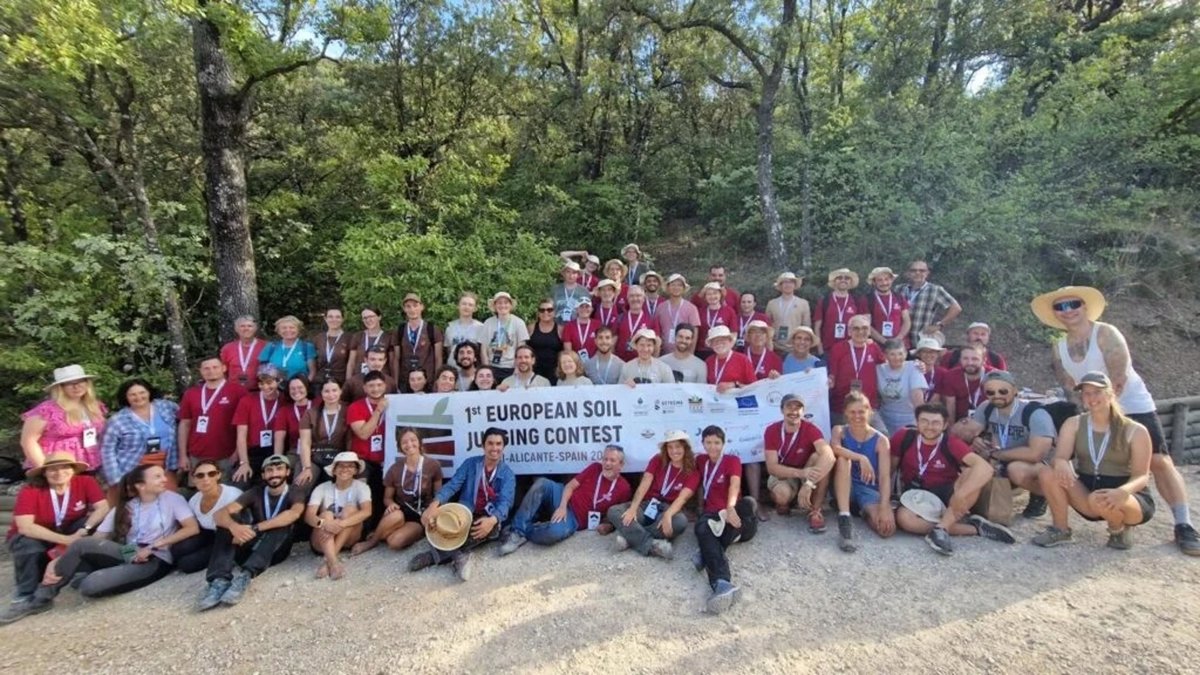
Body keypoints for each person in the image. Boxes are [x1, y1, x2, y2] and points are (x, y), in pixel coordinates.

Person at [1034, 285, 1198, 554]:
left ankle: (1184, 524)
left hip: (1130, 404)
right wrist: (1087, 417)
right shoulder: (1059, 347)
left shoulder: (1105, 333)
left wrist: (1104, 416)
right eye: (1060, 306)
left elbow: (1117, 379)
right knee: (1090, 462)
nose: (1068, 310)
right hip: (1093, 407)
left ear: (1085, 306)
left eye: (1073, 304)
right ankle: (1107, 518)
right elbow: (1069, 386)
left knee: (1158, 461)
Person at [22, 465, 198, 617]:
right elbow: (98, 538)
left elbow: (191, 528)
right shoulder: (126, 506)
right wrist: (58, 561)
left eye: (163, 475)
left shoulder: (173, 499)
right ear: (141, 485)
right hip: (129, 551)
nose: (164, 479)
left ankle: (89, 576)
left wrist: (154, 546)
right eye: (158, 476)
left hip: (155, 557)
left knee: (89, 586)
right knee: (82, 544)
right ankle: (42, 597)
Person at [1032, 372, 1155, 550]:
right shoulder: (1073, 423)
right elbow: (1060, 457)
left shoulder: (1136, 430)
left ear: (1110, 394)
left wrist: (1123, 492)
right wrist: (1061, 463)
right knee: (1047, 472)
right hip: (1088, 492)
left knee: (1100, 499)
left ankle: (1118, 528)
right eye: (1086, 393)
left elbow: (1142, 476)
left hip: (1126, 494)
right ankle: (1060, 529)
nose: (1091, 398)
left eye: (1097, 392)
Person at [891, 404, 1014, 556]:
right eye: (924, 421)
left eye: (936, 422)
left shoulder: (951, 442)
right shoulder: (904, 436)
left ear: (945, 425)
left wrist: (961, 494)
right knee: (905, 520)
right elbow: (890, 469)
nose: (929, 427)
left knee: (971, 472)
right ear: (916, 422)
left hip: (946, 491)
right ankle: (973, 528)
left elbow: (985, 468)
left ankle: (942, 528)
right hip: (913, 493)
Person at [2, 453, 109, 624]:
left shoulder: (85, 482)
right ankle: (25, 595)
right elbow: (25, 526)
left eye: (65, 467)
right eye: (53, 469)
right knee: (28, 545)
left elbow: (103, 508)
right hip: (35, 534)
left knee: (94, 526)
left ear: (73, 470)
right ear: (44, 473)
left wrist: (85, 529)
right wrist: (67, 540)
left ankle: (82, 570)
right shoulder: (30, 489)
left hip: (69, 530)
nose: (59, 473)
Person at [196, 454, 305, 609]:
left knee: (282, 523)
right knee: (227, 522)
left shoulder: (295, 492)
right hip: (249, 546)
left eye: (279, 469)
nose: (274, 474)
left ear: (287, 472)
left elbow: (294, 514)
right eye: (269, 470)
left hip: (275, 551)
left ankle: (245, 577)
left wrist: (256, 528)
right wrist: (234, 527)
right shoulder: (255, 492)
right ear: (263, 475)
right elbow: (219, 514)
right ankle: (219, 581)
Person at [413, 427, 516, 581]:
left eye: (498, 444)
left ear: (503, 447)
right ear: (483, 446)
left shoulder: (507, 474)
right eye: (490, 443)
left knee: (487, 527)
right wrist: (434, 504)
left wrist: (492, 520)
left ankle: (435, 556)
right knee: (439, 522)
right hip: (465, 512)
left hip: (488, 517)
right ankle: (459, 554)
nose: (494, 448)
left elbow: (505, 503)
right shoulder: (470, 464)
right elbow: (453, 485)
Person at [499, 445, 631, 554]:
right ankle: (516, 532)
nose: (607, 463)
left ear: (621, 465)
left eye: (612, 460)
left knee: (553, 533)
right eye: (605, 459)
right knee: (542, 483)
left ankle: (523, 530)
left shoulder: (624, 488)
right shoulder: (595, 468)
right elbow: (570, 486)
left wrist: (609, 526)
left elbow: (616, 514)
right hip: (563, 497)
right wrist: (562, 507)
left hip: (575, 519)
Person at [962, 371, 1056, 519]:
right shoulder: (986, 408)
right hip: (998, 458)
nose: (996, 396)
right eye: (990, 392)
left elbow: (1036, 454)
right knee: (968, 461)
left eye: (1003, 391)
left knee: (1015, 469)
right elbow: (967, 432)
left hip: (1033, 465)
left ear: (1015, 390)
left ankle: (1041, 493)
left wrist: (996, 454)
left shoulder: (1035, 413)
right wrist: (975, 439)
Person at [693, 425, 759, 614]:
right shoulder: (701, 460)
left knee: (748, 503)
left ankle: (706, 551)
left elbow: (734, 485)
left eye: (717, 442)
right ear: (703, 443)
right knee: (702, 527)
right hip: (713, 516)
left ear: (723, 443)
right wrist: (699, 507)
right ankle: (722, 583)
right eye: (708, 442)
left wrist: (730, 508)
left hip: (734, 518)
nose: (712, 447)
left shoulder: (732, 460)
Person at [608, 430, 698, 560]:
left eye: (678, 446)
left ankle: (630, 537)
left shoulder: (692, 470)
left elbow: (682, 498)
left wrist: (668, 515)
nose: (674, 451)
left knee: (680, 522)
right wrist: (633, 508)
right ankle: (651, 545)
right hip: (648, 504)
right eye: (670, 447)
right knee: (614, 511)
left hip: (668, 508)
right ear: (665, 449)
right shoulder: (658, 459)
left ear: (685, 448)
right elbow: (645, 483)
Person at [352, 429, 443, 555]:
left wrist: (432, 511)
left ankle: (386, 532)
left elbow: (439, 494)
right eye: (404, 442)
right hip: (400, 512)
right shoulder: (395, 469)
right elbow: (387, 498)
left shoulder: (433, 465)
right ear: (400, 447)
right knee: (396, 515)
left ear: (419, 442)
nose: (409, 444)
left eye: (413, 440)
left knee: (394, 542)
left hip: (420, 516)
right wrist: (391, 504)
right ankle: (373, 541)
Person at [831, 392, 894, 552]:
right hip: (846, 485)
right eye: (852, 412)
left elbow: (885, 477)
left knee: (886, 529)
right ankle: (845, 517)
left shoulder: (881, 440)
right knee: (843, 460)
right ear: (845, 413)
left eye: (861, 412)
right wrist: (861, 458)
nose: (857, 416)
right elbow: (835, 448)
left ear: (869, 411)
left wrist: (884, 507)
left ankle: (862, 510)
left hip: (868, 489)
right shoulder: (840, 430)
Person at [763, 395, 835, 530]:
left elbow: (829, 456)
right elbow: (772, 468)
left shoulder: (810, 428)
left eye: (798, 408)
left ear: (803, 411)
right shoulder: (772, 430)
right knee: (782, 495)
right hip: (786, 472)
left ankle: (816, 510)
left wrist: (809, 484)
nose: (794, 411)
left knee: (819, 458)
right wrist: (801, 473)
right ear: (781, 410)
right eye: (789, 407)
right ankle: (787, 501)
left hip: (807, 471)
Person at [20, 365, 107, 473]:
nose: (76, 386)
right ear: (60, 388)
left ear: (87, 383)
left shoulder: (94, 406)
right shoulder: (47, 410)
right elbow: (28, 441)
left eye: (80, 381)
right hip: (57, 465)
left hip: (90, 462)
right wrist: (45, 469)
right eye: (69, 383)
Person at [100, 378, 179, 489]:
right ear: (125, 397)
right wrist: (116, 479)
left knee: (168, 497)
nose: (138, 397)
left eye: (142, 392)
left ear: (149, 392)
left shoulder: (167, 407)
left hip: (167, 464)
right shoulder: (118, 420)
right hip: (132, 467)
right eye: (132, 395)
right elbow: (107, 450)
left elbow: (186, 420)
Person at [305, 452, 373, 580]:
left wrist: (340, 524)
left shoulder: (362, 487)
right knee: (327, 514)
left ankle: (329, 561)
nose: (345, 469)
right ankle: (334, 563)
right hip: (322, 540)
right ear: (334, 470)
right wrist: (325, 524)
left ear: (356, 470)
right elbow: (309, 516)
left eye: (350, 466)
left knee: (350, 510)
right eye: (341, 466)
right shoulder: (322, 488)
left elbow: (366, 512)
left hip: (348, 538)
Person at [177, 356, 247, 475]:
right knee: (199, 487)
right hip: (197, 455)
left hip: (227, 455)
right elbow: (184, 424)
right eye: (206, 368)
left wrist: (237, 452)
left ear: (224, 368)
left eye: (215, 367)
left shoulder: (238, 391)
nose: (211, 371)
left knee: (225, 486)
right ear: (200, 371)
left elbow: (244, 426)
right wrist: (183, 455)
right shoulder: (191, 394)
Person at [172, 461, 241, 574]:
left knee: (186, 564)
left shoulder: (233, 495)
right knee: (177, 549)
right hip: (209, 535)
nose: (206, 479)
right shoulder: (194, 500)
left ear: (218, 475)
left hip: (228, 538)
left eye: (211, 474)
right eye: (200, 475)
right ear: (193, 479)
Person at [346, 371, 389, 526]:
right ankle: (360, 529)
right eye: (371, 386)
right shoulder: (355, 407)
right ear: (364, 388)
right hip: (363, 459)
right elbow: (363, 434)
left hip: (387, 459)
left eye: (379, 385)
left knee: (384, 497)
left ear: (385, 386)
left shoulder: (394, 403)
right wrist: (378, 411)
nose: (375, 389)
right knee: (362, 494)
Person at [826, 315, 885, 425]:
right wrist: (828, 381)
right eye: (856, 328)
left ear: (869, 331)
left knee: (883, 433)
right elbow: (831, 375)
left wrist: (916, 365)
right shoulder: (838, 348)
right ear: (849, 331)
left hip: (868, 408)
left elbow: (891, 367)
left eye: (864, 328)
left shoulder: (874, 348)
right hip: (842, 409)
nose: (860, 332)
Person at [231, 365, 284, 486]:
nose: (265, 387)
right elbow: (241, 436)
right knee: (241, 481)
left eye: (269, 382)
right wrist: (244, 463)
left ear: (278, 381)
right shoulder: (247, 401)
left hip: (276, 450)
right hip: (252, 452)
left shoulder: (285, 400)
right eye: (261, 383)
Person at [297, 379, 351, 487]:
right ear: (321, 393)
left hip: (339, 458)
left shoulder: (348, 410)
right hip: (315, 456)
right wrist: (307, 467)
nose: (331, 395)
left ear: (341, 391)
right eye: (326, 391)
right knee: (301, 484)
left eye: (334, 390)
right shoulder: (310, 413)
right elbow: (305, 443)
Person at [894, 260, 962, 344]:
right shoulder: (899, 289)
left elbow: (956, 308)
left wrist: (939, 325)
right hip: (900, 340)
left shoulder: (935, 290)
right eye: (913, 270)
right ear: (908, 273)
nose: (917, 273)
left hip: (921, 340)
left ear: (927, 273)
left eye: (922, 270)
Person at [875, 340, 927, 435]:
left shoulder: (914, 367)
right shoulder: (878, 369)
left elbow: (918, 399)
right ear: (885, 355)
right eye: (892, 354)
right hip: (885, 418)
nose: (897, 358)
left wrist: (921, 421)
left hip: (909, 419)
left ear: (906, 354)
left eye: (900, 354)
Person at [395, 293, 443, 389]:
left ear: (422, 307)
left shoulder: (432, 329)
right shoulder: (400, 330)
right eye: (408, 306)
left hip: (428, 381)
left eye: (415, 305)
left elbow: (438, 358)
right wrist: (396, 383)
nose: (412, 309)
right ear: (404, 309)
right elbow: (396, 359)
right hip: (406, 381)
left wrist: (437, 380)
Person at [481, 291, 529, 383]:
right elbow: (483, 348)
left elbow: (521, 348)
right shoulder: (488, 323)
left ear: (510, 305)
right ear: (495, 306)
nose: (503, 305)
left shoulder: (519, 323)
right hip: (492, 366)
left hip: (511, 367)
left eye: (506, 303)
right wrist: (486, 370)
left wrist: (517, 368)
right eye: (499, 303)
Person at [814, 268, 863, 354]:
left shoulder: (856, 301)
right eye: (839, 278)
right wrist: (820, 348)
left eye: (846, 278)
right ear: (834, 281)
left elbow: (862, 326)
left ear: (850, 282)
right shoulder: (825, 301)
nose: (843, 280)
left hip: (851, 349)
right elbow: (817, 327)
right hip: (828, 349)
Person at [863, 267, 912, 347]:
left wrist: (899, 338)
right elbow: (866, 324)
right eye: (880, 280)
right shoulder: (867, 299)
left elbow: (907, 321)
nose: (884, 283)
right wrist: (884, 341)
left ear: (891, 280)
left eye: (887, 279)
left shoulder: (899, 298)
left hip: (899, 345)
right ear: (874, 282)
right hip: (877, 345)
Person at [766, 272, 812, 356]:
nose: (788, 285)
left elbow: (806, 327)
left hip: (796, 348)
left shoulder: (803, 303)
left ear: (794, 285)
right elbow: (767, 326)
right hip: (775, 348)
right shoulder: (772, 303)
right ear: (780, 285)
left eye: (791, 282)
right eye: (785, 282)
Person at [259, 315, 317, 381]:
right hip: (275, 386)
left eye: (292, 327)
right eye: (284, 328)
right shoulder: (271, 347)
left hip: (298, 386)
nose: (288, 330)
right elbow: (262, 372)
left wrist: (306, 384)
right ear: (278, 331)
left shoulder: (307, 347)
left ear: (298, 330)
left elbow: (312, 372)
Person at [938, 343, 986, 422]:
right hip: (961, 422)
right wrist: (951, 428)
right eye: (965, 358)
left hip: (988, 422)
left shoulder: (993, 376)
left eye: (975, 359)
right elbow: (950, 406)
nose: (970, 363)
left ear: (984, 360)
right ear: (960, 360)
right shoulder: (951, 376)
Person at [347, 307, 397, 381]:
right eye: (365, 318)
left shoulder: (388, 337)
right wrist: (348, 382)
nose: (368, 320)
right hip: (360, 379)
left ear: (379, 317)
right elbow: (351, 362)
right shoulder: (357, 336)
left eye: (371, 316)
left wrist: (394, 382)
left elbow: (392, 363)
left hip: (381, 380)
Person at [655, 273, 700, 354]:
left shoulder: (691, 308)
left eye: (679, 285)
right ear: (668, 287)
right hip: (663, 354)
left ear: (683, 288)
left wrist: (691, 353)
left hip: (684, 354)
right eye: (673, 285)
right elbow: (657, 331)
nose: (676, 288)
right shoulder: (660, 307)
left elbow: (695, 332)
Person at [272, 374, 312, 460]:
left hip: (316, 451)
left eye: (300, 387)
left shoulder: (317, 405)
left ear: (307, 388)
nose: (296, 391)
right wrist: (277, 460)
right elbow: (279, 439)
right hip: (295, 452)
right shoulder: (284, 411)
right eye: (292, 389)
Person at [220, 315, 265, 389]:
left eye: (250, 326)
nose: (246, 328)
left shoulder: (266, 346)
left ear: (255, 328)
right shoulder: (227, 348)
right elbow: (223, 371)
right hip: (233, 390)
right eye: (242, 326)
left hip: (258, 390)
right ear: (236, 329)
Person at [941, 322, 1007, 371]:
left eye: (983, 334)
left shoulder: (996, 359)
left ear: (988, 338)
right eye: (975, 333)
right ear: (968, 336)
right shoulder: (951, 356)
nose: (979, 337)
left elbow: (1004, 381)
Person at [527, 297, 564, 383]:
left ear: (554, 312)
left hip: (555, 371)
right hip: (535, 371)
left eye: (549, 310)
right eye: (542, 310)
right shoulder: (531, 328)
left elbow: (565, 352)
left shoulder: (561, 329)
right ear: (538, 313)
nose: (545, 312)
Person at [444, 293, 486, 369]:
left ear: (475, 308)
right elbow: (449, 350)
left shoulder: (481, 328)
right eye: (464, 304)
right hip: (453, 369)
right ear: (458, 306)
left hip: (471, 369)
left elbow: (483, 353)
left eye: (470, 305)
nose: (466, 307)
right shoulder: (450, 327)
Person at [696, 282, 736, 358]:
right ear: (705, 297)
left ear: (720, 295)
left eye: (715, 293)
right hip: (702, 351)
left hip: (722, 351)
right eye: (709, 294)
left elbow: (734, 333)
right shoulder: (699, 312)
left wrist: (727, 350)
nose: (712, 296)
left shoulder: (729, 311)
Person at [312, 307, 351, 384]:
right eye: (330, 317)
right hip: (320, 381)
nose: (334, 319)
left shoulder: (349, 338)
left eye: (338, 317)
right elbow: (313, 362)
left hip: (340, 382)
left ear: (342, 319)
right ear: (325, 319)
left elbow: (352, 363)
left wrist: (348, 384)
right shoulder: (318, 338)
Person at [614, 285, 653, 362]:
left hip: (642, 362)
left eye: (638, 296)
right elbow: (613, 341)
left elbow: (657, 343)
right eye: (632, 296)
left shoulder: (651, 319)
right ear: (627, 299)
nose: (635, 299)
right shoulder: (619, 318)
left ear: (643, 298)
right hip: (621, 362)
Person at [561, 297, 598, 361]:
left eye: (587, 306)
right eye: (581, 306)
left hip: (595, 362)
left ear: (592, 309)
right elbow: (568, 350)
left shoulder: (598, 325)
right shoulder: (569, 326)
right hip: (575, 363)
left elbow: (601, 346)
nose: (584, 309)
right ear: (576, 309)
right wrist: (575, 363)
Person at [914, 337, 947, 404]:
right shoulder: (912, 371)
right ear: (919, 354)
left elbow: (938, 396)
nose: (928, 354)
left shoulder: (943, 373)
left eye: (932, 351)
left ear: (937, 354)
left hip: (933, 408)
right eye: (924, 351)